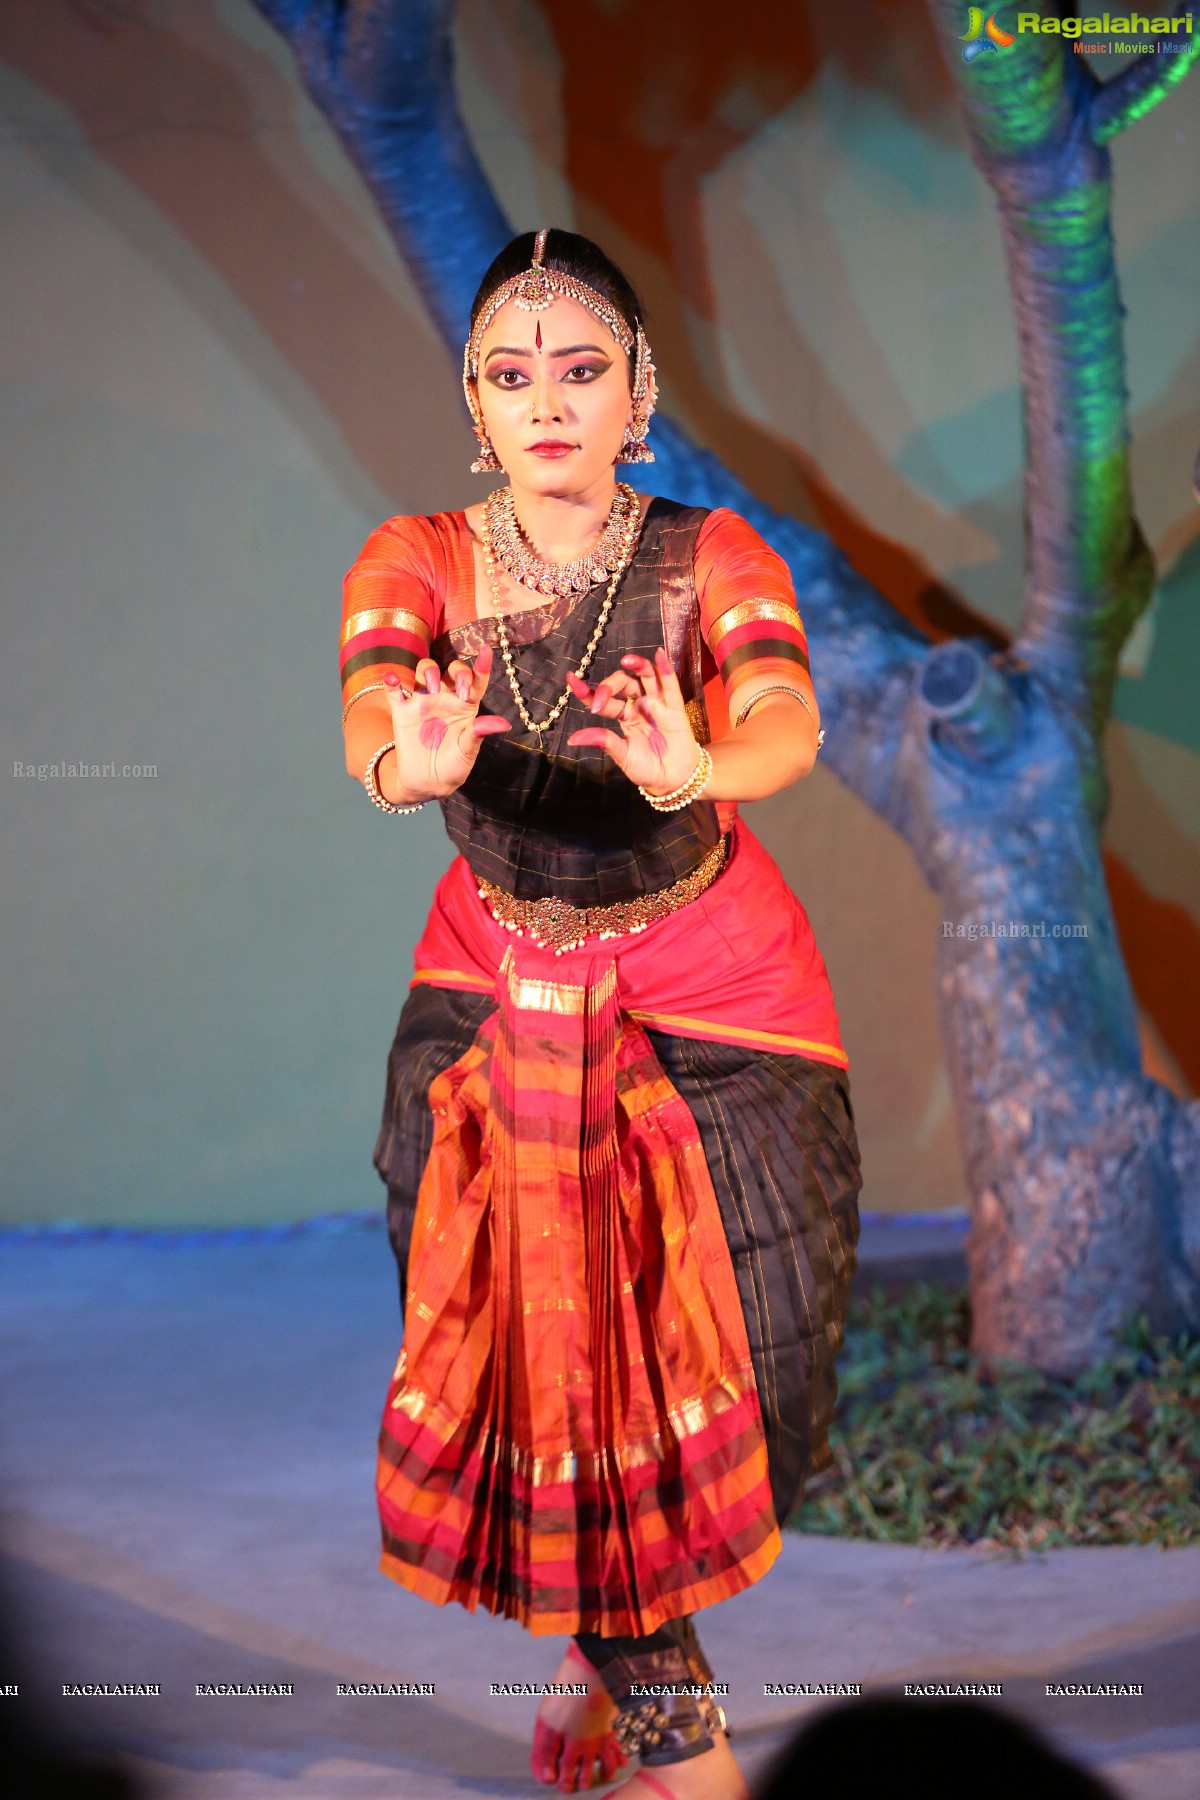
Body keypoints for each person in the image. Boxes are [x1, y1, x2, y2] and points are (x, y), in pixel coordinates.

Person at [340, 229, 863, 1800]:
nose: (547, 402)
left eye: (582, 370)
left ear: (638, 395)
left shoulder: (714, 556)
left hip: (718, 989)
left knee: (760, 1383)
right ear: (474, 402)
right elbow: (370, 699)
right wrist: (403, 763)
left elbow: (783, 709)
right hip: (498, 984)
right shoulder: (418, 557)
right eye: (513, 375)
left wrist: (704, 763)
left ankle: (610, 1645)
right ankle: (671, 1723)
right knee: (536, 1350)